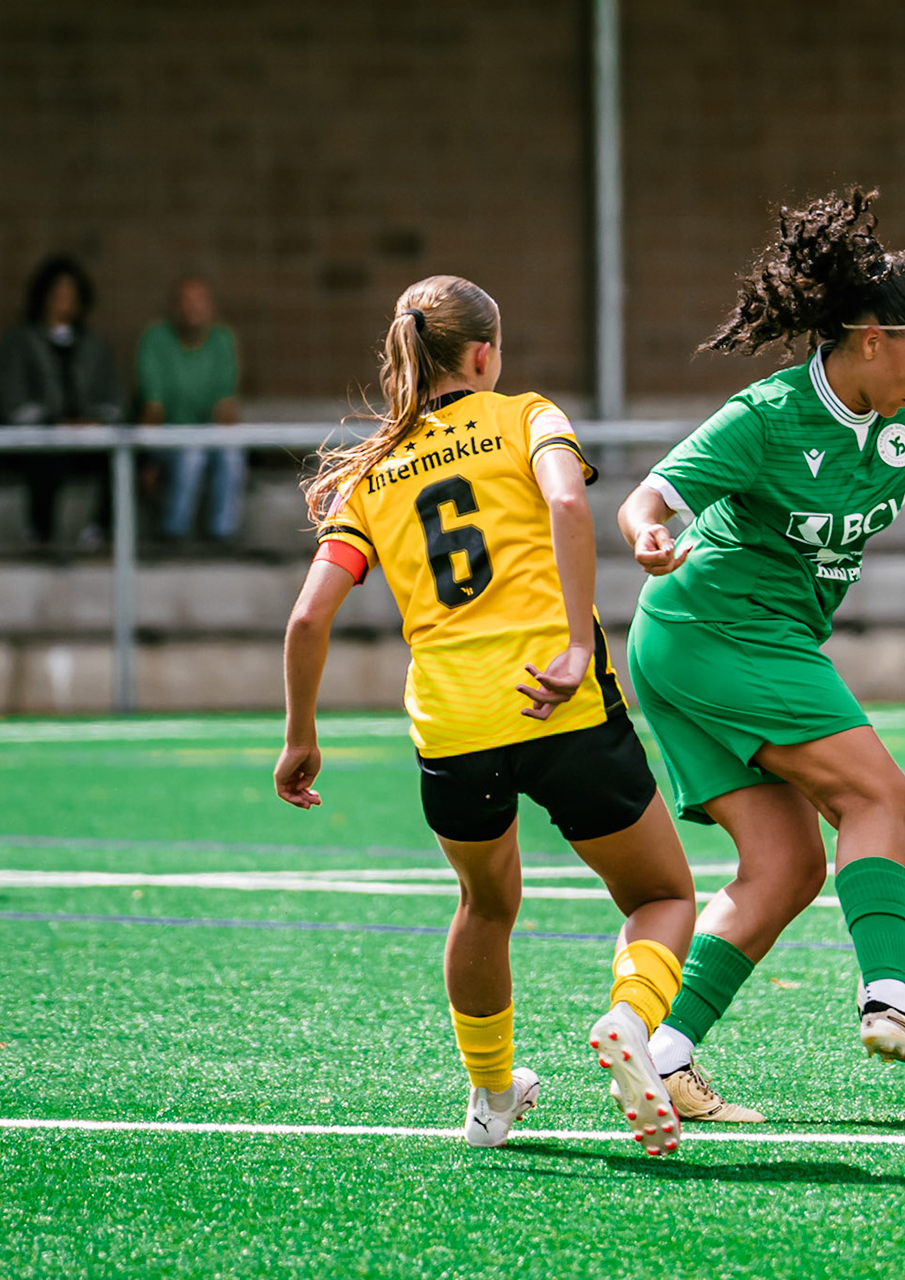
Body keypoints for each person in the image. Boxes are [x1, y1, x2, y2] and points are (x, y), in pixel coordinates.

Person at [616, 187, 905, 1121]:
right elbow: (650, 497)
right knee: (880, 796)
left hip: (731, 640)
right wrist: (644, 536)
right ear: (869, 339)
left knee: (784, 870)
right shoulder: (767, 415)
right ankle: (890, 1000)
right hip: (714, 626)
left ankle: (661, 1052)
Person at [274, 275, 696, 1156]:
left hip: (453, 723)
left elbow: (309, 616)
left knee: (484, 903)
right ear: (482, 355)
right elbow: (569, 501)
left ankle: (493, 1098)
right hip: (557, 698)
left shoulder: (374, 471)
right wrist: (578, 644)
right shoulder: (525, 416)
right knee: (661, 893)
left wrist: (301, 736)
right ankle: (629, 1018)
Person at [0, 255, 126, 548]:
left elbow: (114, 397)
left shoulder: (93, 345)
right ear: (42, 297)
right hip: (40, 439)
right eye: (57, 294)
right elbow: (12, 401)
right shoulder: (20, 342)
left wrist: (95, 419)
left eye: (71, 294)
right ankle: (41, 535)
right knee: (47, 457)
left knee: (122, 457)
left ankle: (99, 531)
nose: (64, 301)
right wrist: (53, 422)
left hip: (87, 438)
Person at [139, 276, 244, 542]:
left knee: (231, 455)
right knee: (191, 455)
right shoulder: (156, 338)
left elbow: (226, 407)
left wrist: (220, 436)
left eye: (199, 302)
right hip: (167, 438)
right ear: (173, 308)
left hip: (208, 436)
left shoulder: (222, 340)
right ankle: (173, 534)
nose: (191, 309)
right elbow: (153, 408)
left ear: (211, 308)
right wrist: (148, 461)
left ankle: (223, 535)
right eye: (185, 302)